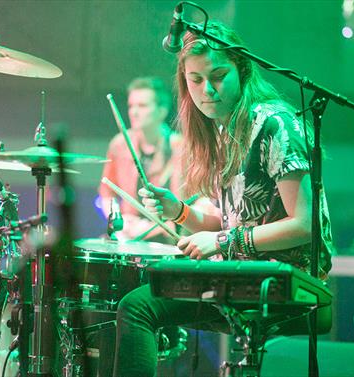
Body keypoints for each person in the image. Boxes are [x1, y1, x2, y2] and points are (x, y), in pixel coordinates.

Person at [112, 21, 334, 377]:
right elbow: (234, 220)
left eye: (218, 75)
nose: (207, 90)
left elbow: (305, 226)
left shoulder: (275, 124)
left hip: (289, 283)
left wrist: (219, 240)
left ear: (242, 70)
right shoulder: (222, 129)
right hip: (244, 275)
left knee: (138, 308)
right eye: (195, 80)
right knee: (138, 297)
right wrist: (179, 211)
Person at [99, 76, 183, 242]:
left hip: (167, 237)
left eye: (142, 106)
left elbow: (186, 206)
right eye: (131, 106)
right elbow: (106, 194)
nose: (134, 112)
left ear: (162, 110)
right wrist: (117, 218)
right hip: (129, 234)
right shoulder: (119, 144)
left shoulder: (180, 147)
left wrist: (150, 227)